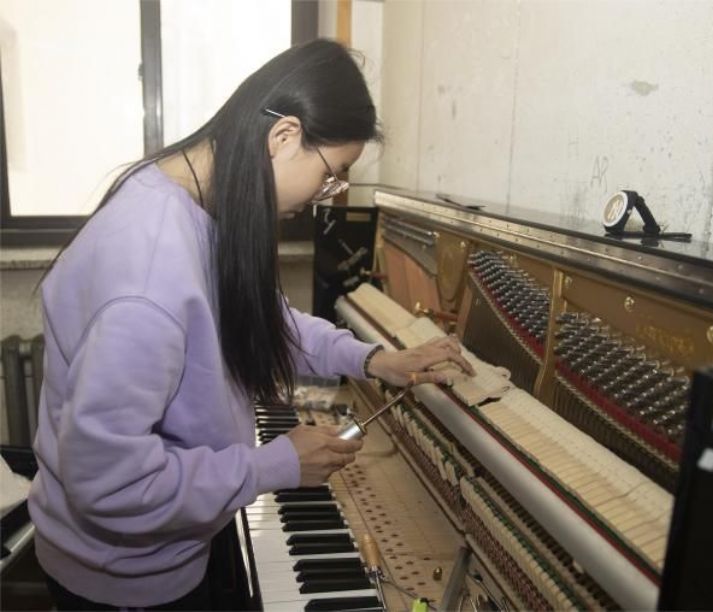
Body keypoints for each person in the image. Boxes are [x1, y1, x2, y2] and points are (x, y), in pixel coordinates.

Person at [28, 38, 473, 610]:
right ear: (284, 136)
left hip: (172, 543)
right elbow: (110, 484)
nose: (326, 197)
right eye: (332, 174)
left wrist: (373, 359)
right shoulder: (148, 275)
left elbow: (261, 317)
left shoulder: (190, 203)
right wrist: (276, 464)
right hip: (124, 580)